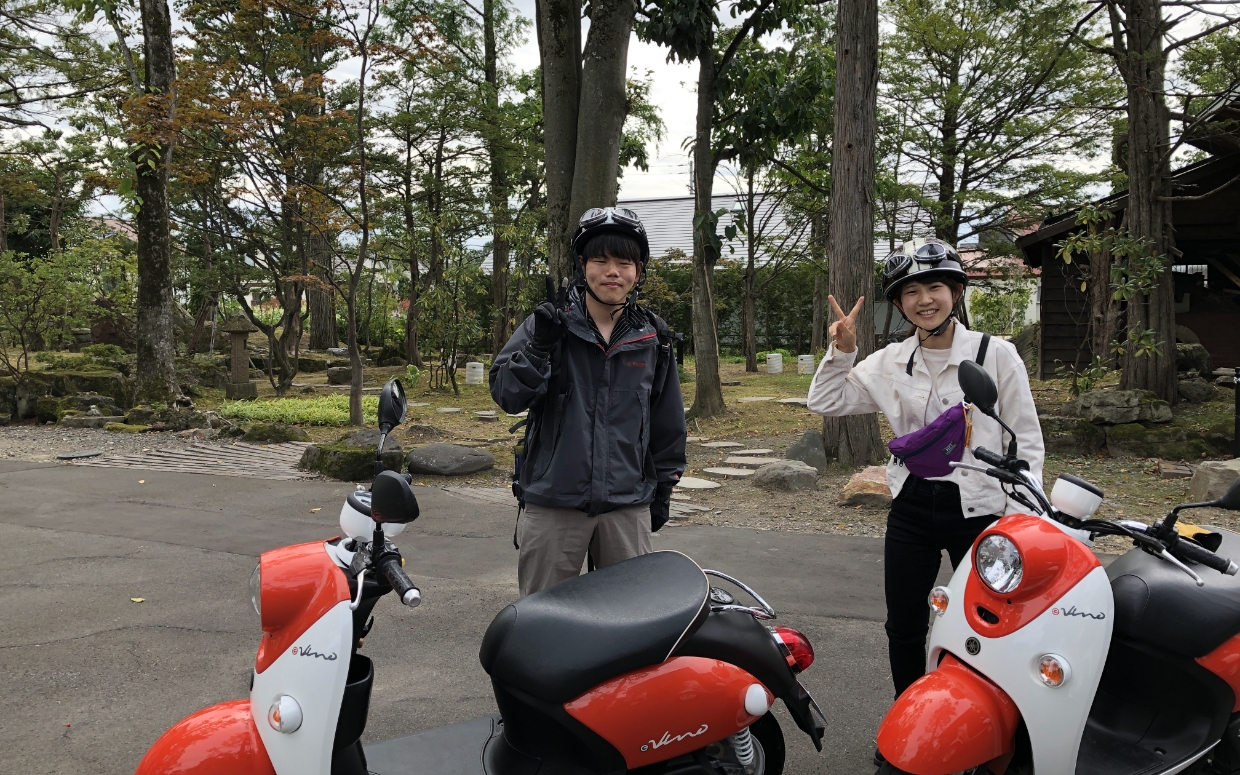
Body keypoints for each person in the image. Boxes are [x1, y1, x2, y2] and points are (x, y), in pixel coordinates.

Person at [806, 239, 1044, 718]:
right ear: (898, 304)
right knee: (904, 624)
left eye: (935, 287)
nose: (924, 300)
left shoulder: (996, 354)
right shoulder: (890, 361)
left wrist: (1022, 521)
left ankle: (986, 720)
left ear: (955, 291)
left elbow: (1025, 442)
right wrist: (843, 351)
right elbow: (825, 401)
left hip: (981, 506)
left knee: (988, 621)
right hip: (913, 503)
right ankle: (911, 717)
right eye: (910, 292)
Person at [489, 207, 686, 596]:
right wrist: (538, 348)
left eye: (624, 263)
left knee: (631, 617)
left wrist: (664, 487)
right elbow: (507, 395)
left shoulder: (652, 337)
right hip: (554, 502)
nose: (612, 272)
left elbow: (667, 420)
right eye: (601, 260)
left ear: (638, 271)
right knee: (545, 618)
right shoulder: (548, 325)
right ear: (582, 265)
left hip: (626, 504)